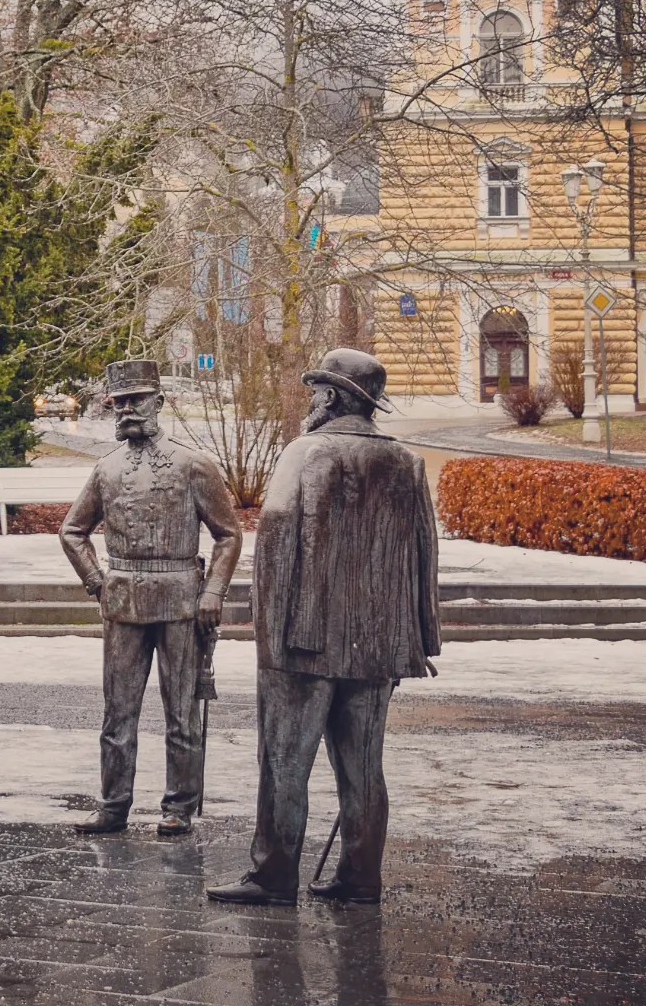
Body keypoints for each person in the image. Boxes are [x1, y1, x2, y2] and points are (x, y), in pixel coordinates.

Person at [207, 348, 440, 907]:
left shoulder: (306, 454)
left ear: (332, 397)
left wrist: (269, 639)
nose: (313, 401)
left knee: (285, 763)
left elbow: (278, 546)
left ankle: (273, 875)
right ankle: (360, 877)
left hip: (303, 641)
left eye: (318, 391)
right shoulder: (405, 461)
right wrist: (420, 639)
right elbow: (424, 554)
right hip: (380, 643)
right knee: (364, 768)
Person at [60, 359, 243, 837]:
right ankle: (113, 804)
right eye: (118, 403)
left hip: (182, 601)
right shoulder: (106, 469)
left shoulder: (193, 464)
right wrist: (98, 582)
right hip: (123, 603)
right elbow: (72, 531)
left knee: (182, 713)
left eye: (136, 400)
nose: (126, 410)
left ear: (160, 403)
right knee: (118, 712)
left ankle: (179, 806)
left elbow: (228, 535)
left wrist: (213, 593)